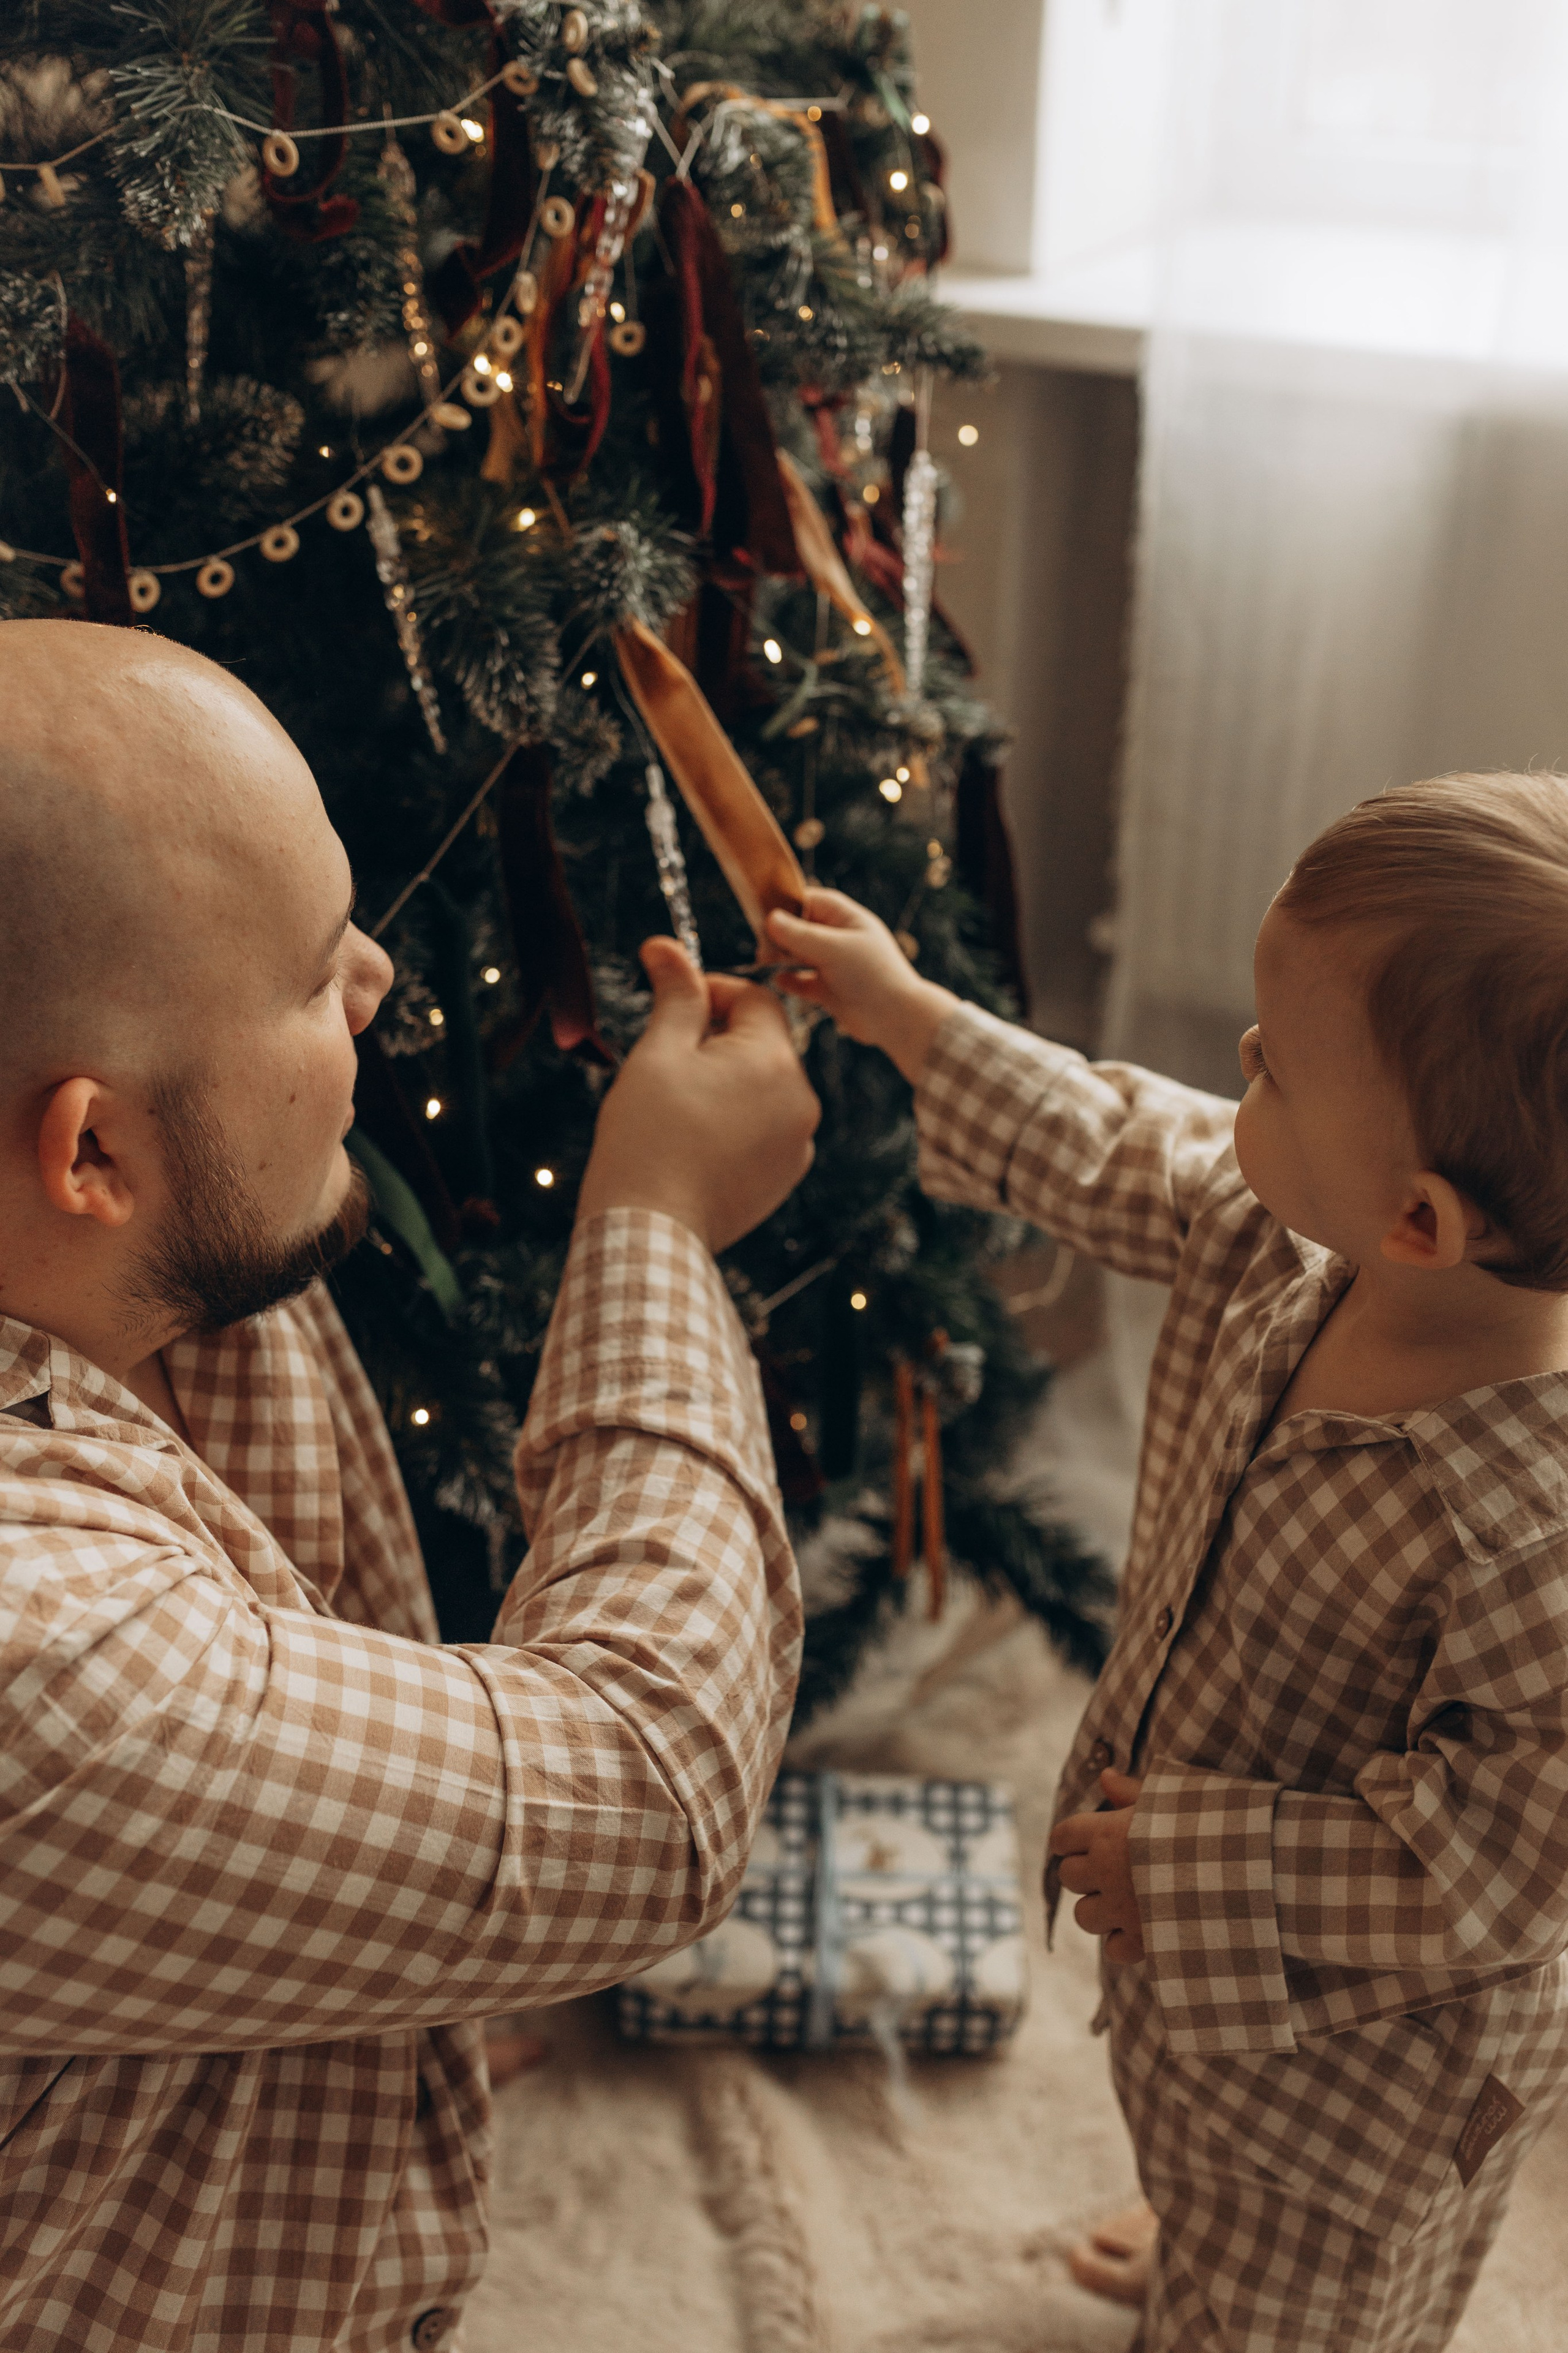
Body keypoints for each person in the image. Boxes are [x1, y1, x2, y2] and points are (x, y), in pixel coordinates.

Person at [0, 620, 817, 2351]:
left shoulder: (114, 1264)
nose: (375, 981)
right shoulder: (43, 1666)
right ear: (91, 1151)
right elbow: (648, 1788)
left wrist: (391, 1930)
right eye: (309, 976)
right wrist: (653, 1229)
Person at [767, 774, 1568, 2353]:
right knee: (1194, 2150)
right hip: (1202, 2010)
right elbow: (1116, 1139)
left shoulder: (1533, 1532)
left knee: (1308, 2307)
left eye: (1269, 1071)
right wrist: (913, 1018)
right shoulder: (1295, 1240)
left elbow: (1504, 1865)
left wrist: (1189, 1863)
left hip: (1363, 2090)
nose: (1233, 1087)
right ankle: (1211, 2232)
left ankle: (1251, 2284)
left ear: (1420, 1217)